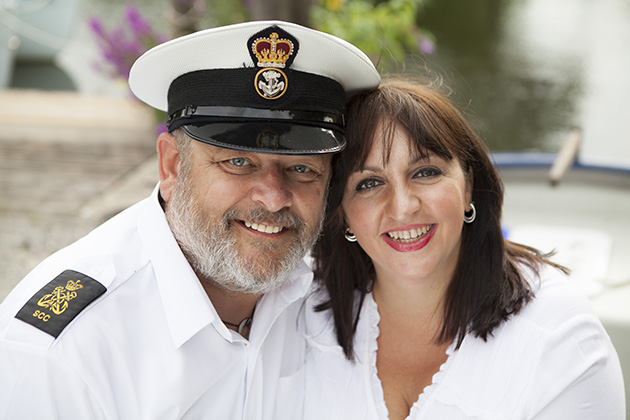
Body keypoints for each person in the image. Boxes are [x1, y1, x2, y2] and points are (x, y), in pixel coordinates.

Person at [0, 21, 380, 419]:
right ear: (172, 166)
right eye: (237, 162)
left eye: (302, 169)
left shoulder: (324, 295)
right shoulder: (65, 356)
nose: (272, 198)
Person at [302, 78, 625, 419]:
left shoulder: (559, 337)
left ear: (468, 185)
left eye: (425, 172)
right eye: (369, 183)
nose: (402, 207)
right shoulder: (301, 311)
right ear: (342, 212)